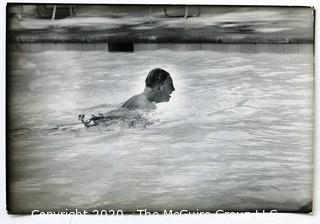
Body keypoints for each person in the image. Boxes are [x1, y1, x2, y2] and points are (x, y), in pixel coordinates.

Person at [79, 68, 175, 127]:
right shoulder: (144, 105)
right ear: (159, 87)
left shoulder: (138, 99)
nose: (173, 89)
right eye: (170, 85)